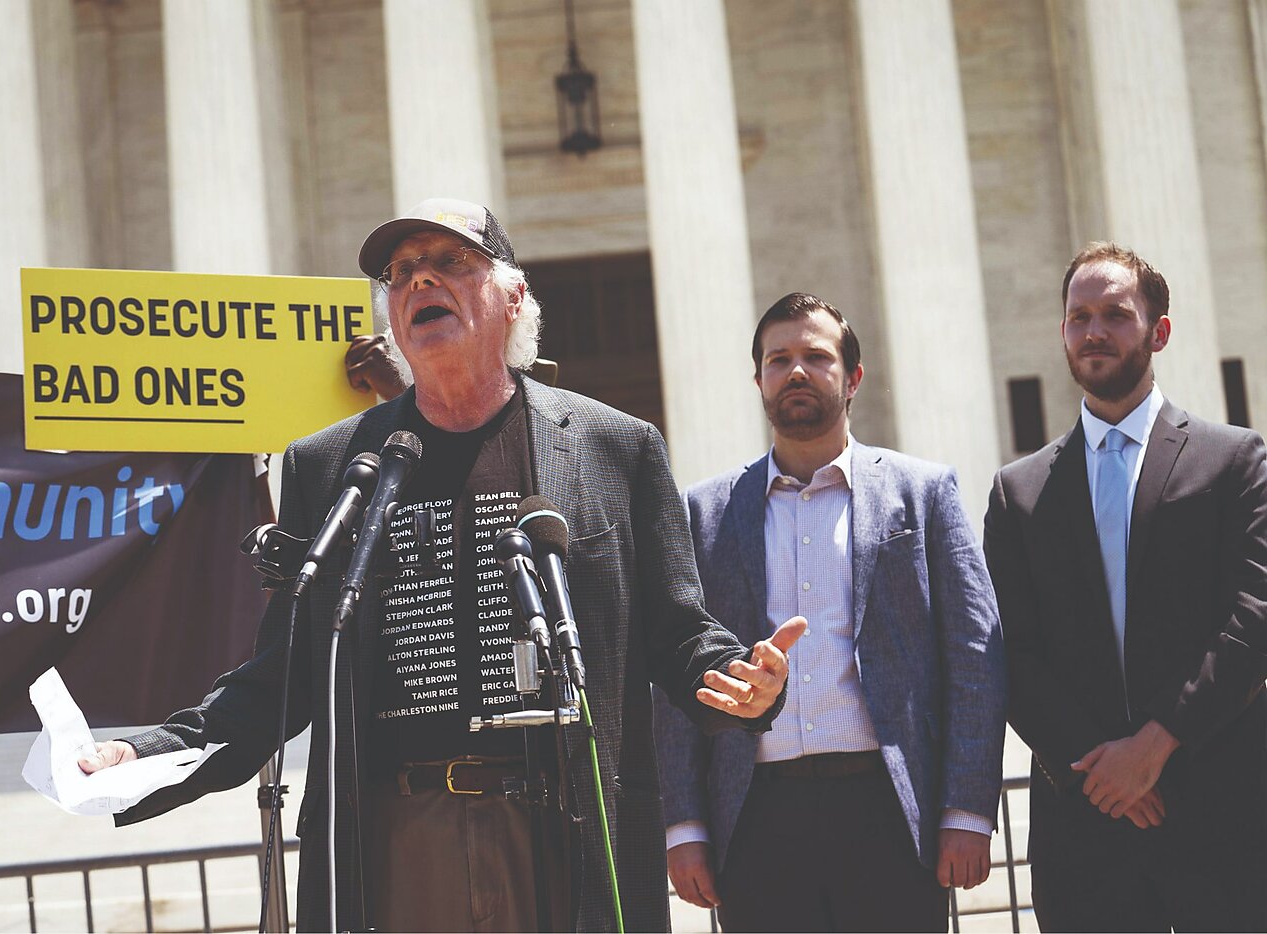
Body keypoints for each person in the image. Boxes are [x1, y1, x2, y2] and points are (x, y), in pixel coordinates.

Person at [80, 198, 801, 932]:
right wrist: (144, 754)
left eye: (450, 262)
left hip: (567, 836)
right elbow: (285, 673)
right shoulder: (331, 465)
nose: (420, 281)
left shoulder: (615, 446)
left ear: (513, 296)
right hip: (393, 847)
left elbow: (676, 629)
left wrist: (740, 683)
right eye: (401, 273)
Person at [653, 293, 1006, 932]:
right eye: (777, 359)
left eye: (816, 357)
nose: (795, 371)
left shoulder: (922, 495)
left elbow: (975, 654)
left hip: (890, 809)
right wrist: (683, 824)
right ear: (757, 378)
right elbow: (675, 678)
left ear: (853, 378)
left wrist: (967, 812)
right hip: (754, 818)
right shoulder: (704, 514)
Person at [983, 242, 1267, 931]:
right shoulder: (1018, 492)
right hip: (1086, 827)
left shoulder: (1235, 460)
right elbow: (1009, 649)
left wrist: (1159, 742)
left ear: (1159, 331)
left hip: (1221, 813)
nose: (1094, 332)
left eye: (1115, 314)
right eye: (1079, 317)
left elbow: (1254, 616)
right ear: (1063, 335)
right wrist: (1099, 772)